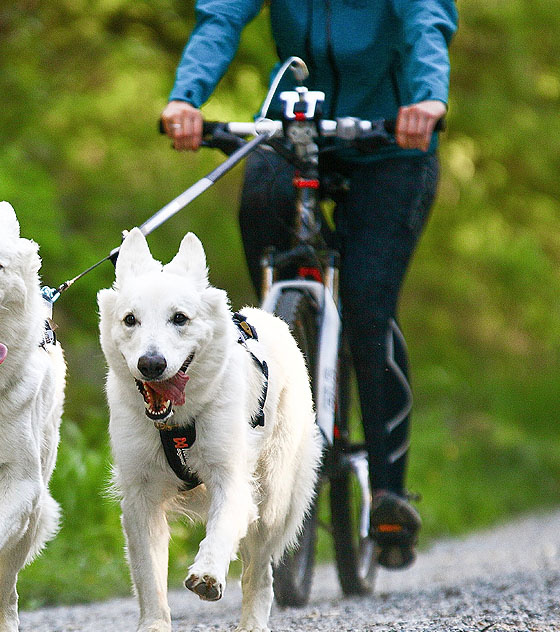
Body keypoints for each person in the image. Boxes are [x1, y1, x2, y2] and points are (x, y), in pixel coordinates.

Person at [161, 0, 458, 569]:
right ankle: (290, 330)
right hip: (290, 128)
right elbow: (220, 18)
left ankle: (388, 495)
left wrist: (428, 97)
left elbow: (426, 21)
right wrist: (186, 97)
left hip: (394, 138)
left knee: (370, 306)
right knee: (264, 246)